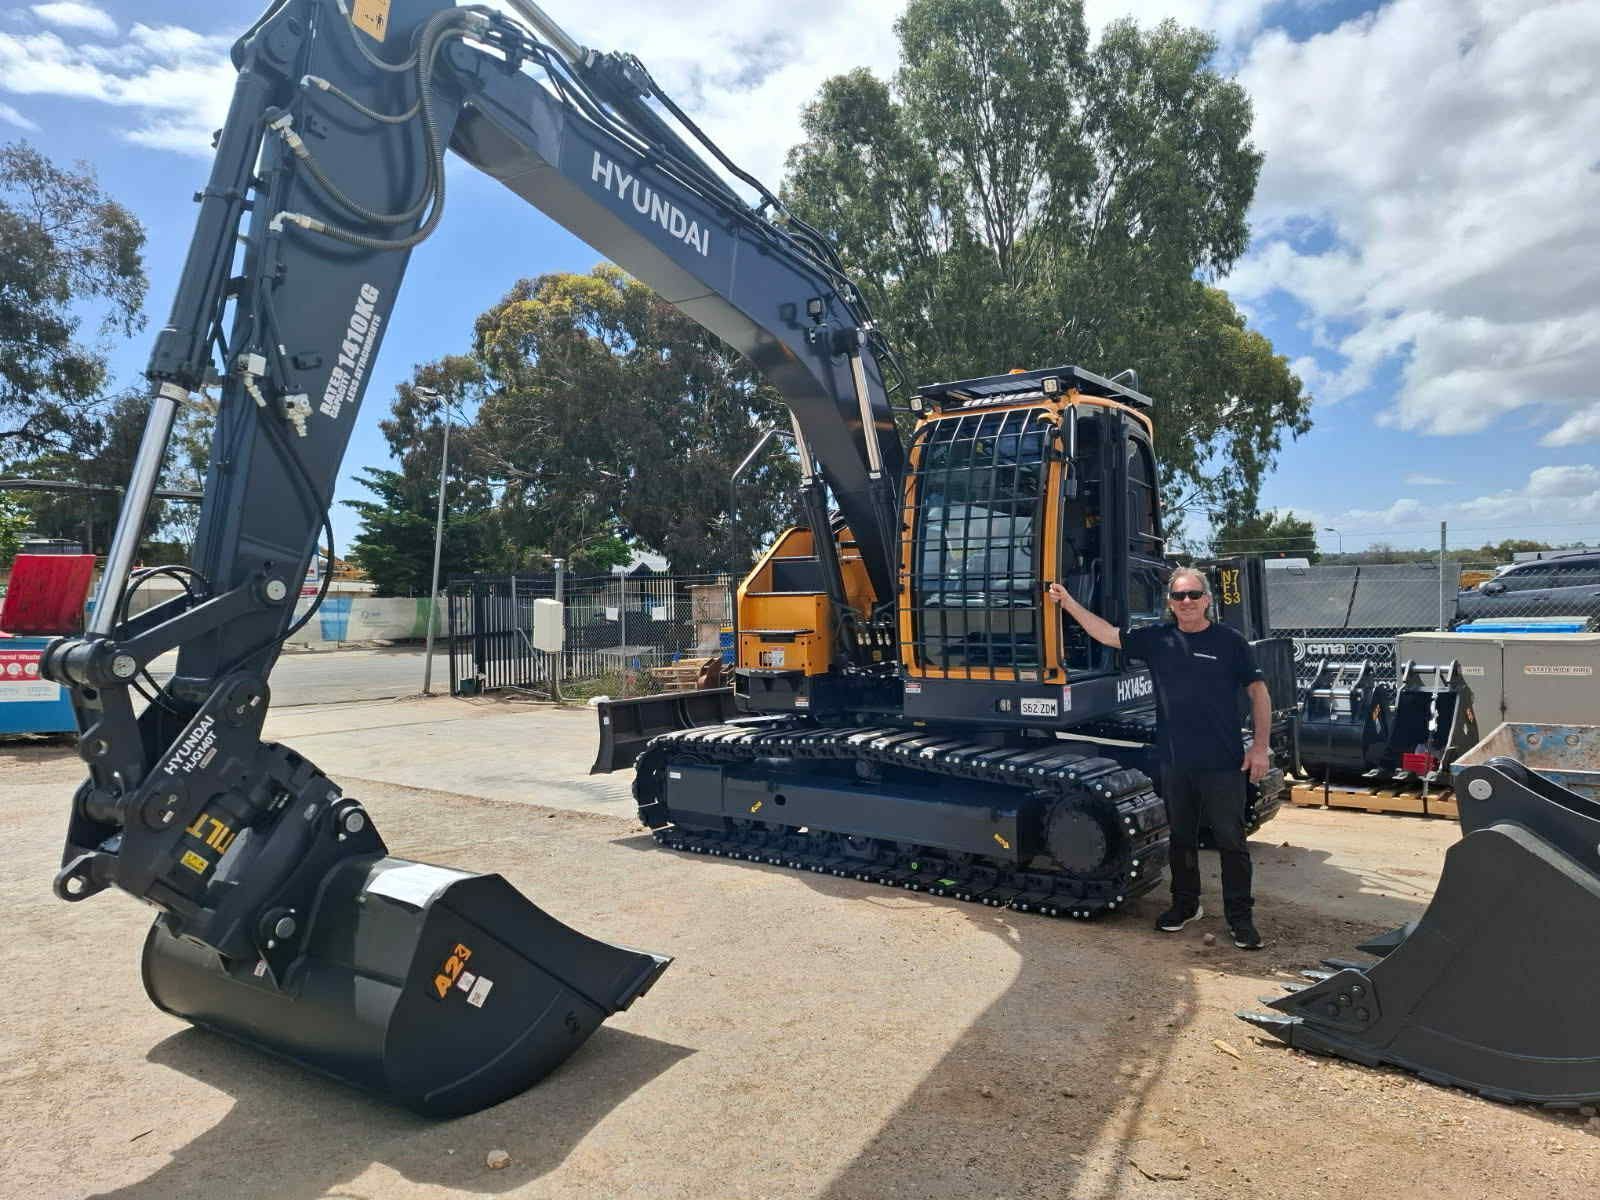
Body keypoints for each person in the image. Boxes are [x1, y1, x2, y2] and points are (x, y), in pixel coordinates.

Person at [1048, 568, 1271, 949]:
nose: (1187, 602)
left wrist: (1260, 747)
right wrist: (1068, 603)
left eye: (1194, 595)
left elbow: (1259, 693)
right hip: (1175, 760)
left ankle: (1240, 918)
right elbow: (1106, 633)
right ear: (1170, 602)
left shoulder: (1230, 642)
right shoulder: (1157, 640)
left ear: (1208, 600)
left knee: (1231, 842)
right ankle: (1185, 906)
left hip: (1222, 762)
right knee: (1181, 839)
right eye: (1179, 596)